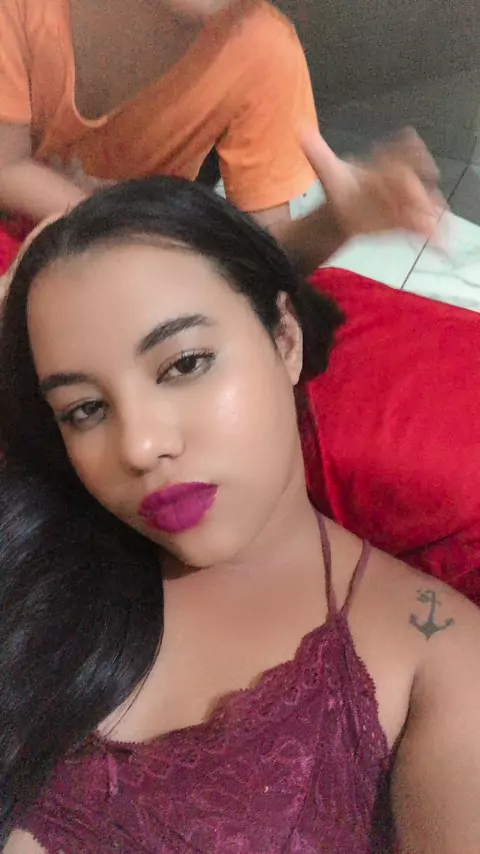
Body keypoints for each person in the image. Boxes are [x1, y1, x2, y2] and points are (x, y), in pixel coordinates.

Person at [2, 178, 480, 854]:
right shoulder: (33, 554)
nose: (138, 446)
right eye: (85, 408)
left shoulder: (437, 660)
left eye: (184, 364)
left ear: (286, 339)